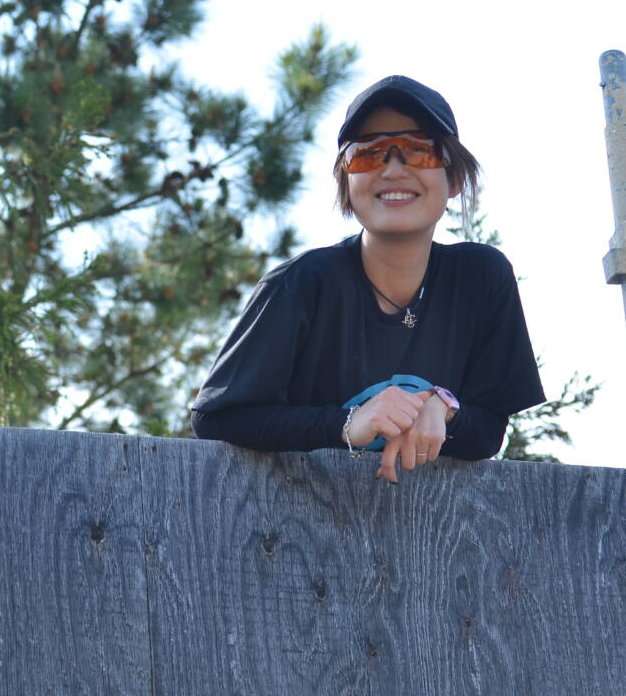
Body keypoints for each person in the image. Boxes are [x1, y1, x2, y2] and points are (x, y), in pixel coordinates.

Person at [191, 75, 544, 482]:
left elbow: (488, 433)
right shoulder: (301, 284)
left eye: (419, 150)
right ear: (346, 181)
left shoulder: (481, 278)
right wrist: (347, 423)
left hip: (433, 520)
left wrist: (445, 407)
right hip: (298, 516)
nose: (392, 170)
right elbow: (217, 418)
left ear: (455, 179)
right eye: (368, 155)